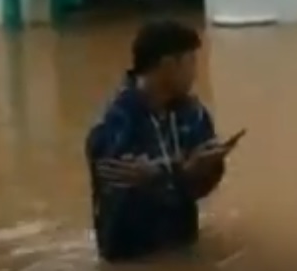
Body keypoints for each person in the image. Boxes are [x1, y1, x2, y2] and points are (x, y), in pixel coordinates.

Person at [85, 20, 229, 262]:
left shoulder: (193, 113)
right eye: (191, 61)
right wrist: (181, 171)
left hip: (183, 245)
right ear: (169, 65)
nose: (196, 72)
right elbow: (123, 191)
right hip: (131, 257)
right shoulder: (114, 122)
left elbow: (199, 187)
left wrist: (210, 167)